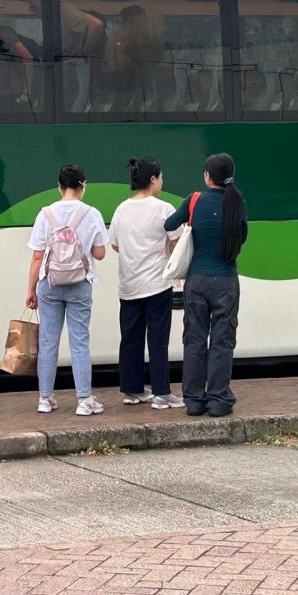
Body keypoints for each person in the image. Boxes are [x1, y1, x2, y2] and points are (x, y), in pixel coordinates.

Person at [164, 153, 248, 417]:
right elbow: (242, 237)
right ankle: (219, 399)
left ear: (208, 176)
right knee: (222, 341)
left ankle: (194, 400)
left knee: (195, 339)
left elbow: (169, 224)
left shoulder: (194, 200)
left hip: (197, 281)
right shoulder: (238, 203)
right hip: (226, 281)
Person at [25, 164, 108, 416]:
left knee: (48, 342)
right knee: (79, 341)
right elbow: (100, 254)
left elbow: (37, 257)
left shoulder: (45, 214)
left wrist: (30, 290)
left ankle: (45, 398)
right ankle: (84, 400)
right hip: (79, 284)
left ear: (59, 186)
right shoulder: (91, 213)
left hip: (48, 284)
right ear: (82, 186)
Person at [109, 158, 184, 410]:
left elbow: (116, 244)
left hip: (128, 285)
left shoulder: (121, 209)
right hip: (156, 284)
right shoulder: (163, 208)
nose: (162, 182)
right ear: (153, 180)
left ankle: (133, 391)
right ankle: (162, 393)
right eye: (161, 178)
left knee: (130, 339)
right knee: (157, 339)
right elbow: (176, 239)